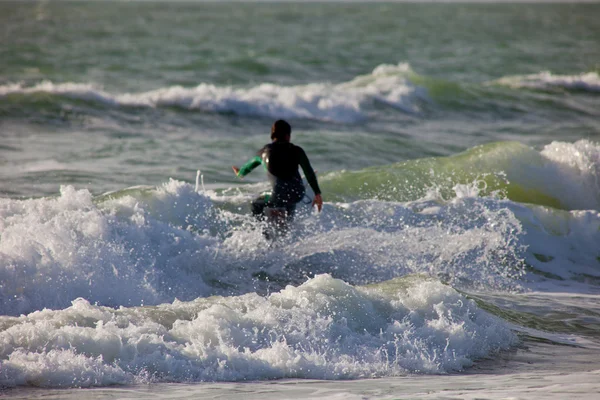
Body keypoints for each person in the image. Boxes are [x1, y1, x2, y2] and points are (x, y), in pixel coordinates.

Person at [232, 120, 323, 223]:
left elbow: (246, 169)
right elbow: (309, 172)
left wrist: (239, 173)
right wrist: (317, 193)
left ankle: (262, 232)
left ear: (272, 135)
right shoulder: (297, 151)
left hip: (277, 196)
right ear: (288, 136)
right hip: (298, 194)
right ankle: (287, 223)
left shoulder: (263, 153)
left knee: (256, 203)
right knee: (290, 199)